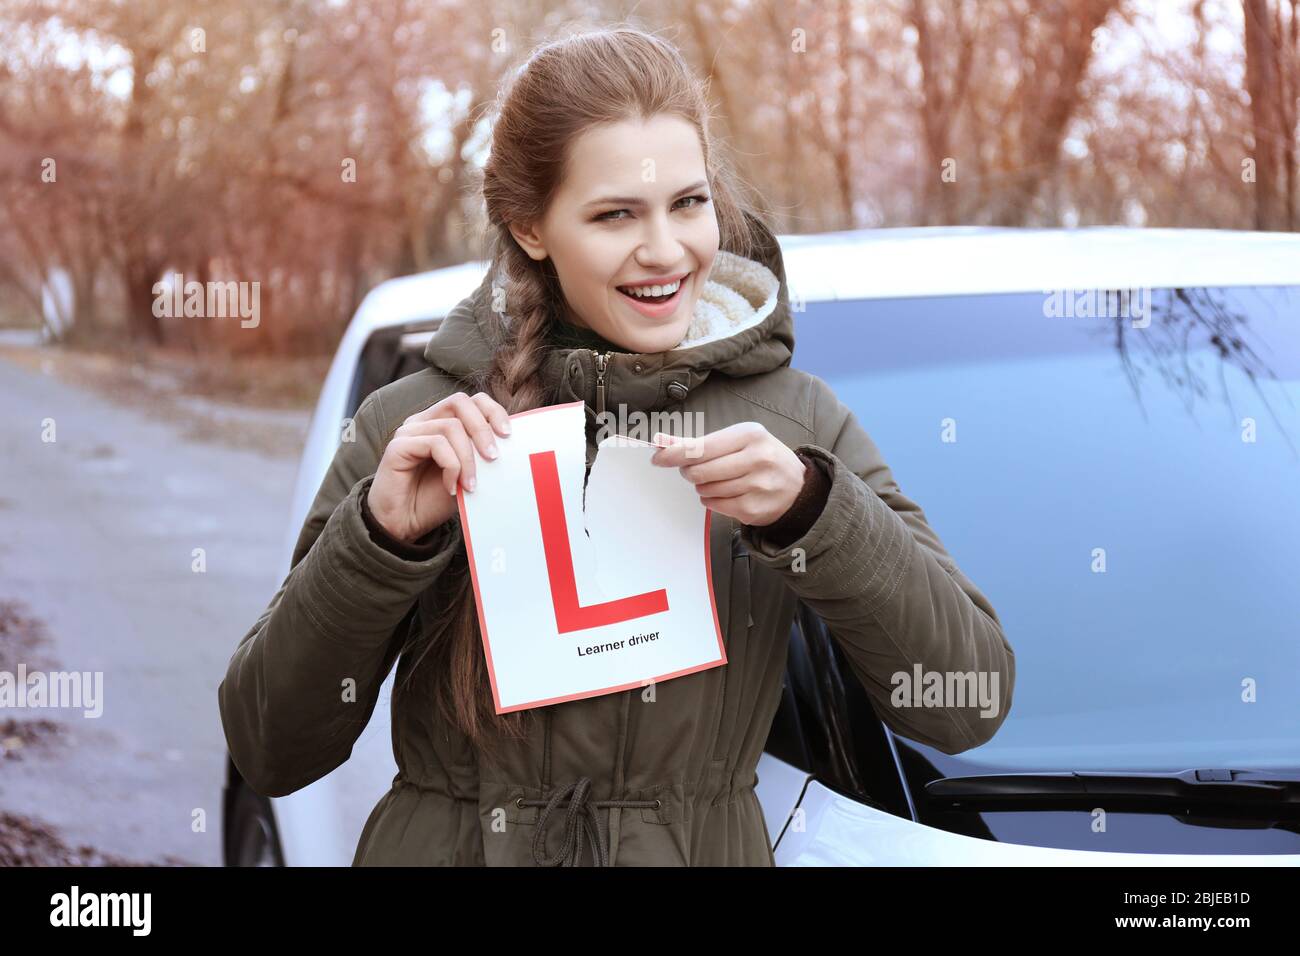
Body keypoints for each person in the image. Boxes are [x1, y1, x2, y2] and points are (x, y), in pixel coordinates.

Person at [218, 25, 1015, 867]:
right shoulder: (414, 426)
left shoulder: (798, 424)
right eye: (614, 216)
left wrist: (816, 515)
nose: (666, 251)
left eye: (689, 202)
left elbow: (968, 704)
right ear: (531, 227)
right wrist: (379, 543)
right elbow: (272, 747)